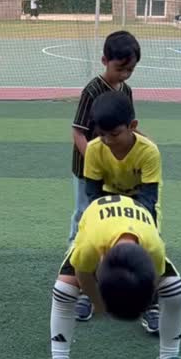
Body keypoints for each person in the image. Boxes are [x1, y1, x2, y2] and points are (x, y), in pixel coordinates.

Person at [49, 193, 181, 359]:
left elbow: (155, 281)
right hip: (98, 225)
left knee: (177, 294)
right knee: (64, 291)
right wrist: (97, 302)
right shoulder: (90, 246)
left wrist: (143, 301)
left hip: (136, 233)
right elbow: (83, 275)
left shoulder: (155, 249)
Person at [69, 30, 141, 321]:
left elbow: (129, 131)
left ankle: (108, 272)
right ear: (104, 61)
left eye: (130, 70)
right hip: (87, 169)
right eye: (119, 68)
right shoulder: (93, 90)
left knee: (110, 220)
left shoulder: (126, 93)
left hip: (116, 171)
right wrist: (94, 161)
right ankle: (75, 271)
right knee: (83, 216)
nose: (124, 74)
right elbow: (78, 131)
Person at [83, 90, 162, 332]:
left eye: (114, 134)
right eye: (101, 134)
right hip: (108, 202)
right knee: (96, 244)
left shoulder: (149, 152)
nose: (107, 140)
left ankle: (151, 304)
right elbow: (93, 194)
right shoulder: (95, 149)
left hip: (141, 204)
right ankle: (89, 293)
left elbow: (149, 199)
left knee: (146, 248)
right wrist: (104, 227)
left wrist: (132, 228)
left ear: (132, 126)